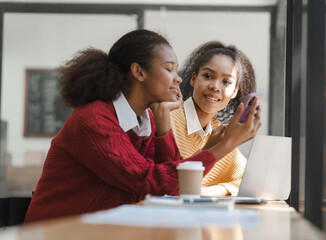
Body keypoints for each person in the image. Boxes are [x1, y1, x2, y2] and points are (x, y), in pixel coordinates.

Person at [25, 29, 261, 223]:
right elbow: (149, 180)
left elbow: (169, 186)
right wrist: (227, 144)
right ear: (138, 72)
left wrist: (163, 124)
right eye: (169, 69)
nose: (178, 79)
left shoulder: (144, 123)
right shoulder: (93, 119)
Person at [170, 41, 259, 196]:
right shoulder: (167, 119)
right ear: (193, 79)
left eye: (226, 81)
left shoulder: (220, 131)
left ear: (234, 92)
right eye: (208, 76)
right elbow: (168, 181)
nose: (215, 87)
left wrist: (208, 191)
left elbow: (247, 181)